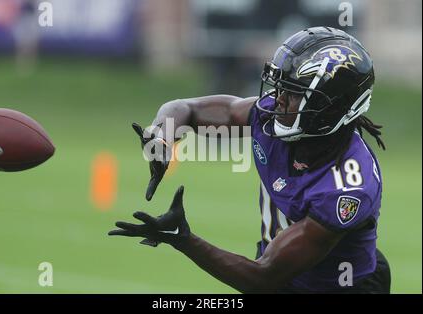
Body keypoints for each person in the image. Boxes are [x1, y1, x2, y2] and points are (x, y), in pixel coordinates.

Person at [108, 26, 391, 293]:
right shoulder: (275, 116)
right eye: (281, 88)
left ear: (327, 110)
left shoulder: (347, 189)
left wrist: (184, 239)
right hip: (280, 270)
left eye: (293, 93)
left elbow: (264, 278)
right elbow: (186, 109)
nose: (278, 99)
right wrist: (162, 134)